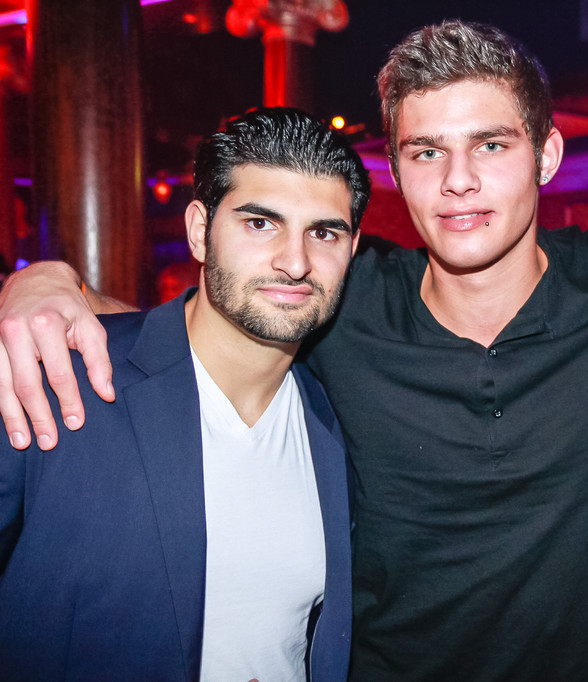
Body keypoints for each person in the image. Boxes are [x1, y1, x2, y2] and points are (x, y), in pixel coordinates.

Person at [0, 22, 588, 680]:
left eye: (491, 146)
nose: (458, 181)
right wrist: (46, 283)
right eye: (426, 152)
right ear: (395, 171)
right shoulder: (342, 301)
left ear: (546, 156)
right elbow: (207, 319)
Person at [0, 108, 370, 680]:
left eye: (323, 233)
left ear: (352, 248)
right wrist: (37, 278)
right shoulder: (61, 379)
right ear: (200, 230)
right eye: (260, 223)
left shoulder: (336, 417)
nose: (295, 262)